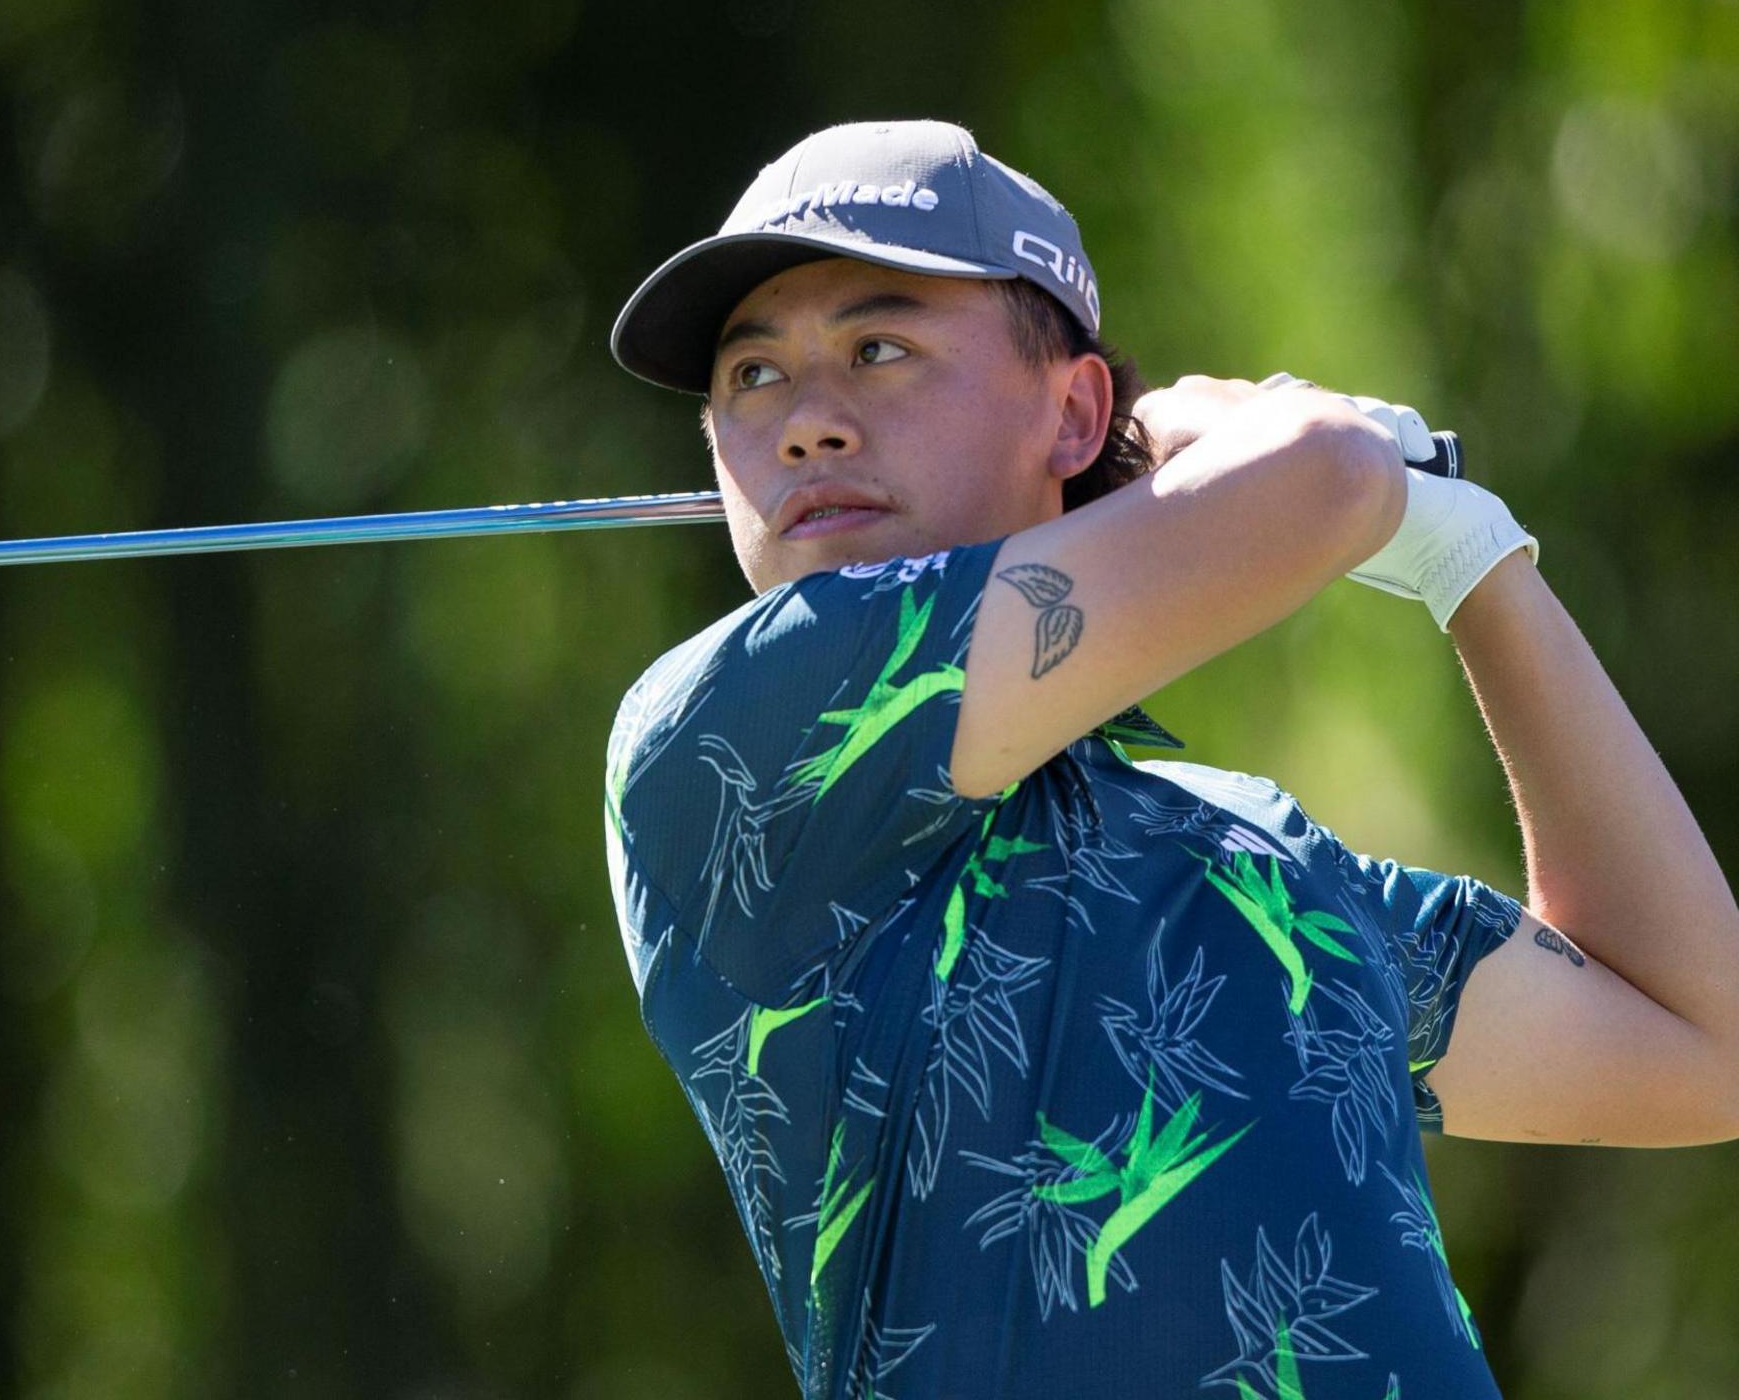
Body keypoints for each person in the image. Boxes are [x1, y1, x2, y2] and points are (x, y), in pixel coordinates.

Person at [599, 120, 1739, 1399]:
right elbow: (1317, 484)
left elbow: (1699, 1043)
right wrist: (1224, 426)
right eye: (751, 379)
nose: (805, 423)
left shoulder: (1260, 856)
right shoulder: (725, 724)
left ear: (1074, 409)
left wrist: (1474, 564)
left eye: (878, 349)